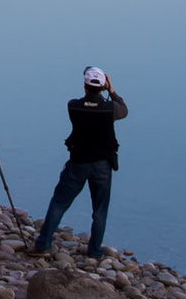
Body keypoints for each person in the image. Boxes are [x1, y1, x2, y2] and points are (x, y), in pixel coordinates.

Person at [32, 65, 128, 257]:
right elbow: (124, 110)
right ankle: (94, 251)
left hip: (77, 163)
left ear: (84, 86)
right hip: (102, 165)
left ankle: (43, 244)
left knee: (59, 202)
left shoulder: (73, 106)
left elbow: (87, 105)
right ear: (102, 87)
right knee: (99, 211)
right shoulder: (110, 109)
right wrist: (112, 90)